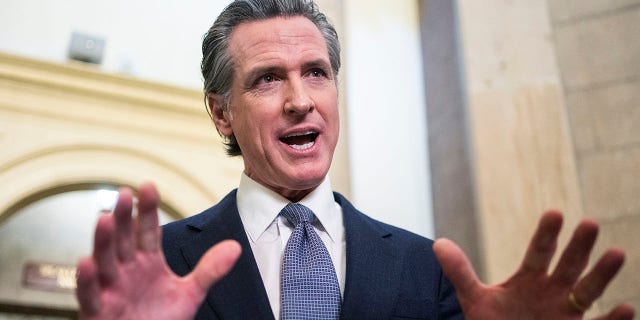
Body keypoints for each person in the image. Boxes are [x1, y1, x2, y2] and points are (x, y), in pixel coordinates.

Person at [75, 0, 636, 319]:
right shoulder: (164, 263)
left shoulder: (425, 269)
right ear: (223, 115)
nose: (301, 100)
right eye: (268, 79)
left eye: (316, 73)